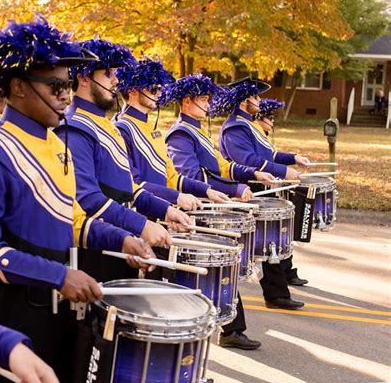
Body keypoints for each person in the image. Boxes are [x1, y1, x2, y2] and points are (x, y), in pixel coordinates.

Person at [0, 16, 153, 383]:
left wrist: (123, 238)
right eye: (54, 86)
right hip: (6, 313)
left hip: (57, 309)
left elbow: (71, 216)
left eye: (67, 84)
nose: (65, 96)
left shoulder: (56, 142)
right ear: (18, 87)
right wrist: (59, 275)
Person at [56, 38, 191, 383]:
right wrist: (136, 228)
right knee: (100, 346)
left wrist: (162, 213)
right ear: (85, 77)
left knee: (127, 338)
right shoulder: (77, 127)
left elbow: (129, 190)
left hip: (118, 242)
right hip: (97, 250)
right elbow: (90, 200)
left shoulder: (105, 125)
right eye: (109, 74)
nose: (116, 82)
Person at [162, 73, 262, 351]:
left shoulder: (197, 131)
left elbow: (222, 167)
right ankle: (218, 333)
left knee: (220, 272)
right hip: (195, 212)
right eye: (203, 99)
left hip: (208, 206)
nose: (208, 105)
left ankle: (230, 328)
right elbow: (193, 176)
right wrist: (232, 190)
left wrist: (250, 176)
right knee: (200, 278)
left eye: (208, 99)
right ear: (186, 101)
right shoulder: (181, 133)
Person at [213, 78, 309, 310]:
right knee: (250, 246)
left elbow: (270, 155)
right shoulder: (235, 128)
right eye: (255, 97)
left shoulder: (248, 126)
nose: (259, 101)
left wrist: (293, 158)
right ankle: (230, 304)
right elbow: (249, 162)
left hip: (261, 187)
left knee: (272, 242)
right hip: (246, 190)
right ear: (244, 101)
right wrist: (284, 171)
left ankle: (276, 294)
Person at [113, 57, 229, 208]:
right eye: (153, 88)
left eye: (160, 88)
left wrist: (206, 190)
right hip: (142, 220)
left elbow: (172, 177)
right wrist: (176, 197)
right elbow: (132, 184)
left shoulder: (151, 128)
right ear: (132, 91)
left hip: (162, 214)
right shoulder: (121, 129)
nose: (159, 93)